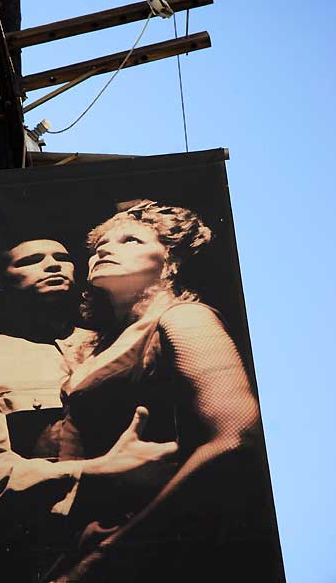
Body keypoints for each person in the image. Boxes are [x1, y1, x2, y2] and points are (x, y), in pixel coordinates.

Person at [46, 201, 280, 583]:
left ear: (171, 259)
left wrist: (109, 553)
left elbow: (237, 437)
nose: (105, 249)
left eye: (130, 240)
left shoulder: (184, 318)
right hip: (90, 542)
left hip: (152, 550)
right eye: (100, 244)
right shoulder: (99, 344)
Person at [0, 236, 178, 583]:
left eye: (62, 257)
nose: (53, 264)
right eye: (31, 260)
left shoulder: (125, 339)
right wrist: (95, 471)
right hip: (53, 556)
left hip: (153, 539)